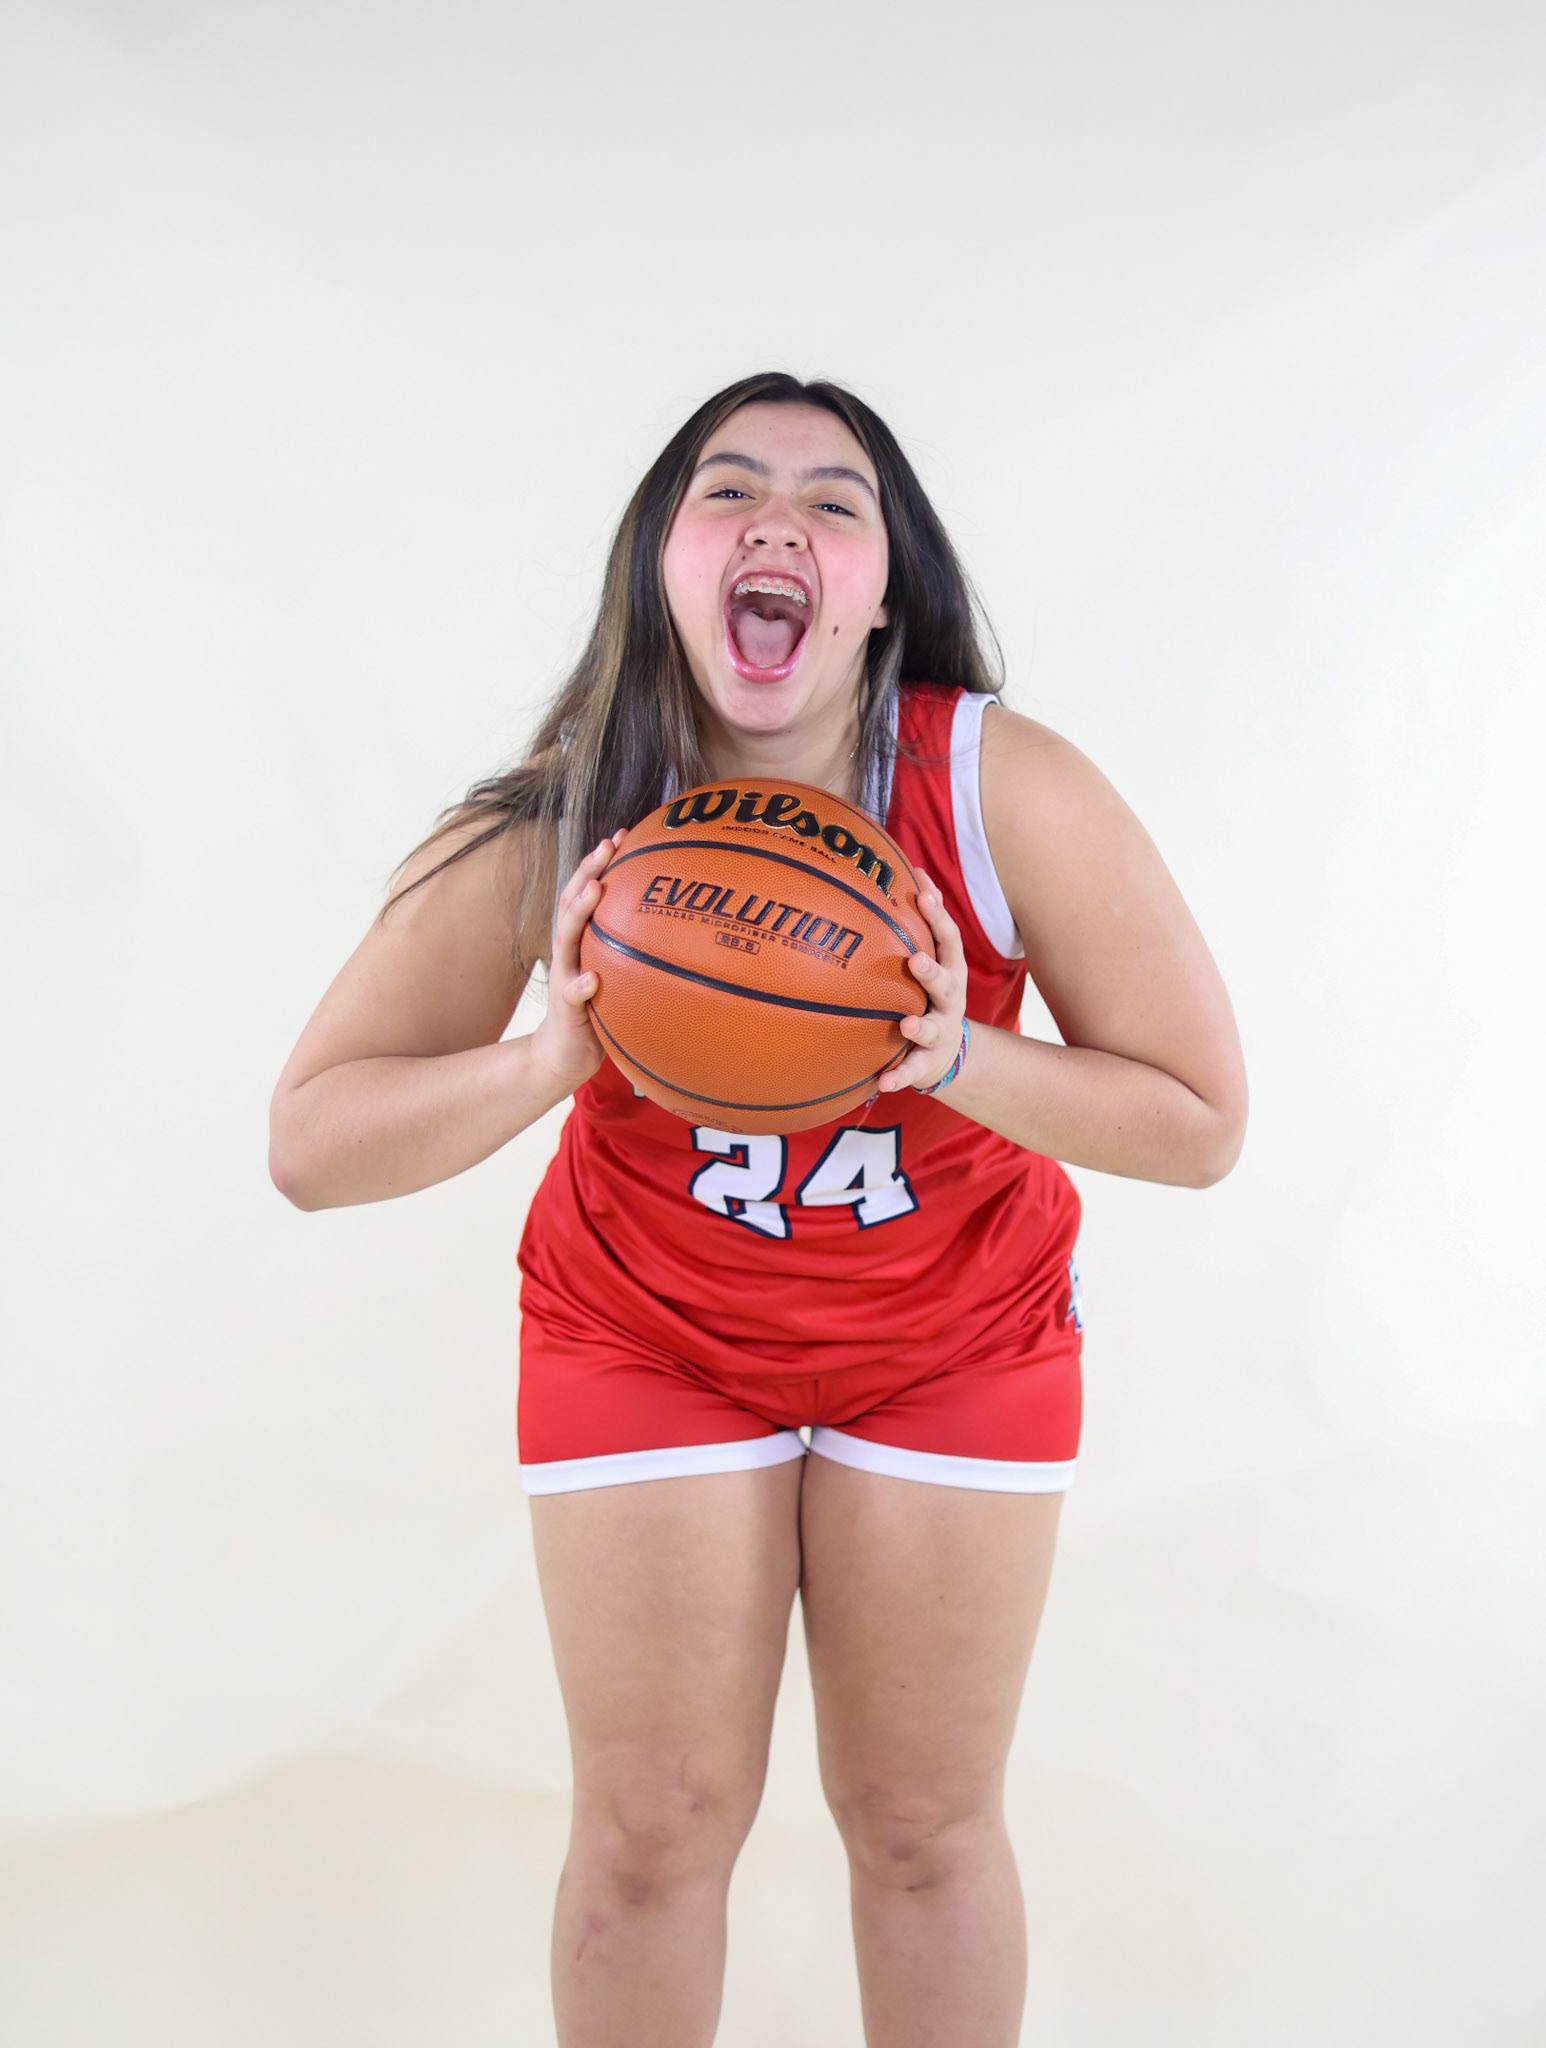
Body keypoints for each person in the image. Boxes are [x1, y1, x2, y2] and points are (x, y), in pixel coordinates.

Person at [269, 371, 1248, 2048]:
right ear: (663, 555)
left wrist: (956, 1062)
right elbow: (310, 1140)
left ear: (883, 583)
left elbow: (1199, 1121)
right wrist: (544, 1058)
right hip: (646, 1332)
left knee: (923, 1831)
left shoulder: (1002, 787)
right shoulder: (568, 814)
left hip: (955, 1334)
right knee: (652, 1837)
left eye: (833, 499)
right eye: (726, 490)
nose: (776, 518)